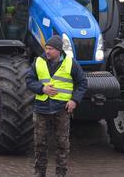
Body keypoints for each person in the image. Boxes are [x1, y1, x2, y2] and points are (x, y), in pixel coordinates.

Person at [26, 35, 87, 177]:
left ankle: (61, 173)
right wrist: (42, 89)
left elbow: (82, 83)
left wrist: (74, 101)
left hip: (62, 109)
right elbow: (29, 80)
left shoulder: (71, 63)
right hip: (41, 108)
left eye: (50, 49)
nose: (47, 51)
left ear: (59, 50)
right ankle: (39, 173)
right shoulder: (38, 62)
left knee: (62, 144)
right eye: (46, 48)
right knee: (40, 143)